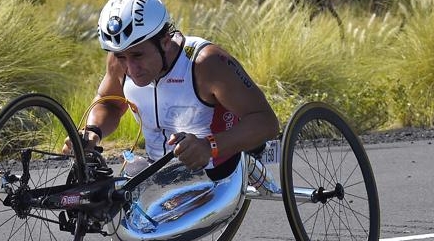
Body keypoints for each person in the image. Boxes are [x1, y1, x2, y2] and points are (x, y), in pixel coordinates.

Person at [63, 0, 279, 175]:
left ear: (165, 40)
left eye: (138, 55)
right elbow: (109, 103)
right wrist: (92, 132)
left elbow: (266, 122)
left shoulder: (206, 62)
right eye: (121, 57)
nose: (131, 68)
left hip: (216, 166)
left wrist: (209, 146)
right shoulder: (119, 59)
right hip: (159, 170)